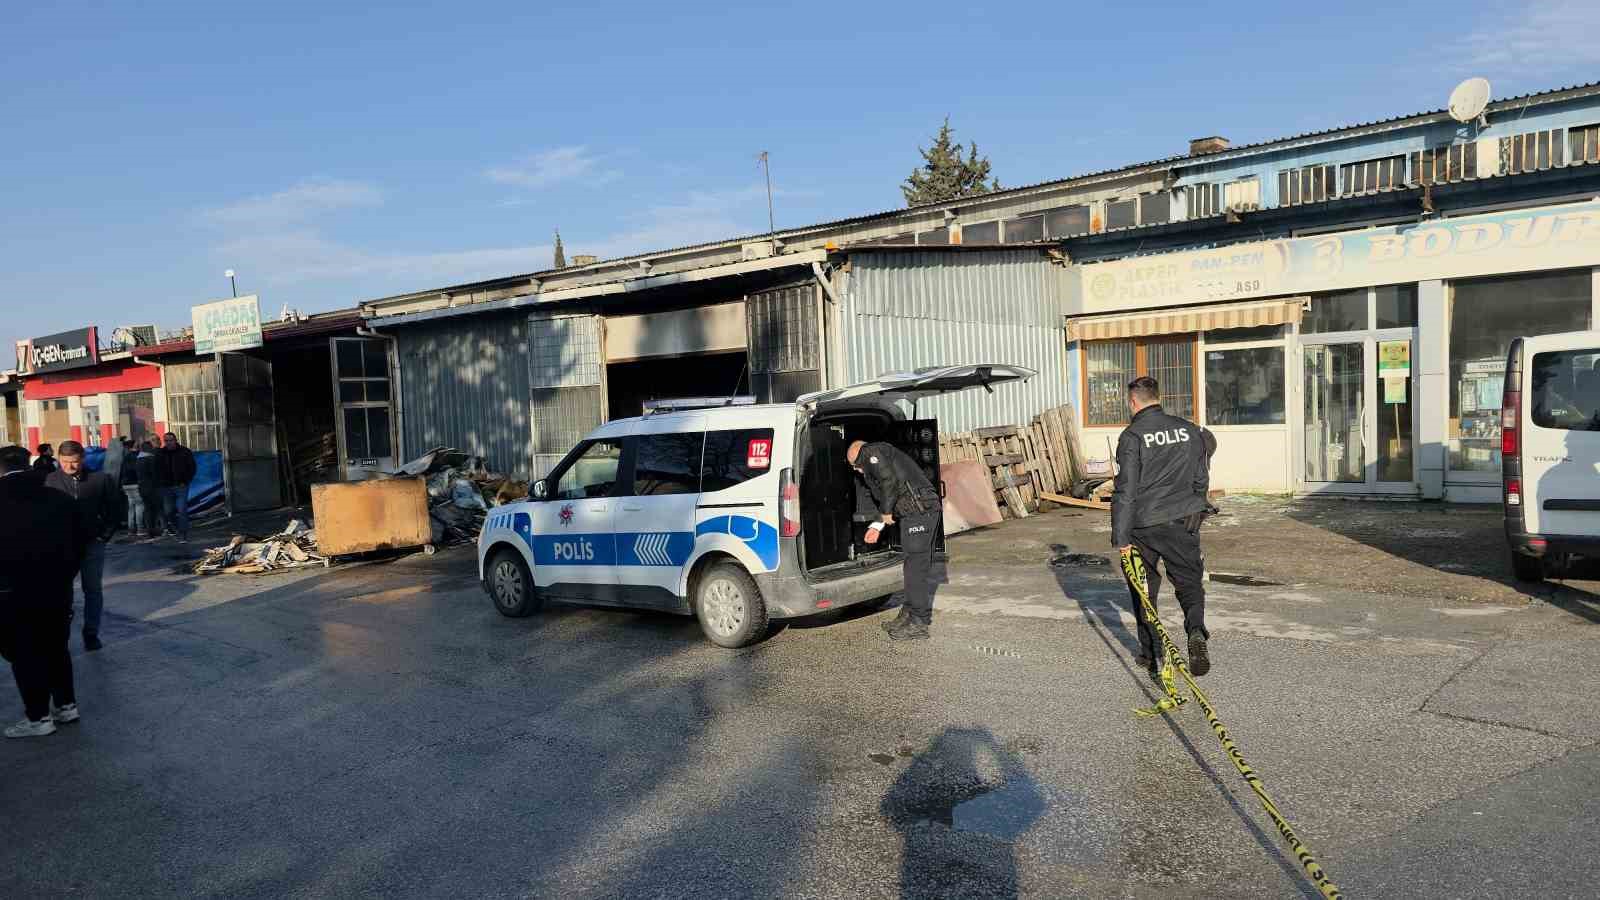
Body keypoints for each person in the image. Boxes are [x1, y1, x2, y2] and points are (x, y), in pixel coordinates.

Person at [1112, 376, 1217, 681]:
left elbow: (1126, 490)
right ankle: (1195, 630)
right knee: (1189, 582)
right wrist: (1197, 506)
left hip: (1142, 526)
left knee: (1144, 591)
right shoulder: (1188, 430)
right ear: (1158, 397)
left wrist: (1121, 537)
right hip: (1183, 520)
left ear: (1133, 402)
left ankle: (1151, 654)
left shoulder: (1132, 436)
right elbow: (1201, 475)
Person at [0, 445, 86, 738]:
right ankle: (66, 706)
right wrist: (64, 575)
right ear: (29, 464)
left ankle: (38, 718)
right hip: (56, 589)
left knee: (24, 654)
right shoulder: (60, 499)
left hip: (11, 593)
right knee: (56, 648)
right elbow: (80, 544)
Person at [847, 438, 943, 642]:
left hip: (920, 511)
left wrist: (886, 512)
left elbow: (888, 482)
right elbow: (886, 494)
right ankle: (909, 614)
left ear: (859, 455)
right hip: (915, 512)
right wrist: (877, 525)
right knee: (912, 567)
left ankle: (919, 622)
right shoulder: (878, 461)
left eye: (855, 465)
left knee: (915, 568)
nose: (856, 470)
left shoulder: (872, 451)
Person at [44, 440, 124, 651]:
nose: (69, 466)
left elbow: (115, 508)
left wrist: (104, 535)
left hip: (92, 544)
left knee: (92, 589)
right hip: (62, 547)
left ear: (83, 459)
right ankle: (61, 636)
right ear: (58, 459)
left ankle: (91, 633)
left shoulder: (100, 480)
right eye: (64, 462)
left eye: (74, 462)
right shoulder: (50, 481)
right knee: (62, 592)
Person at [157, 432, 196, 543]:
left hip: (181, 486)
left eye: (171, 440)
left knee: (182, 509)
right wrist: (160, 482)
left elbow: (192, 468)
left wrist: (186, 481)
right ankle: (177, 528)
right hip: (166, 487)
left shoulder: (185, 452)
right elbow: (156, 469)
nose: (169, 443)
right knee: (168, 511)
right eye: (166, 441)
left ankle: (183, 534)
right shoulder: (161, 453)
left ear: (175, 440)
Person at [135, 440, 164, 539]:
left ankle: (149, 530)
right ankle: (158, 529)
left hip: (142, 487)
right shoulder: (150, 458)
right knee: (156, 509)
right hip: (152, 487)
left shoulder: (138, 459)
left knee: (147, 508)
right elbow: (155, 474)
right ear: (149, 448)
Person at [120, 438, 146, 536]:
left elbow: (122, 471)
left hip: (126, 485)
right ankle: (140, 529)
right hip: (135, 483)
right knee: (139, 505)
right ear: (135, 445)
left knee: (131, 506)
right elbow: (139, 470)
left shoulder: (125, 457)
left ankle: (131, 529)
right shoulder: (138, 456)